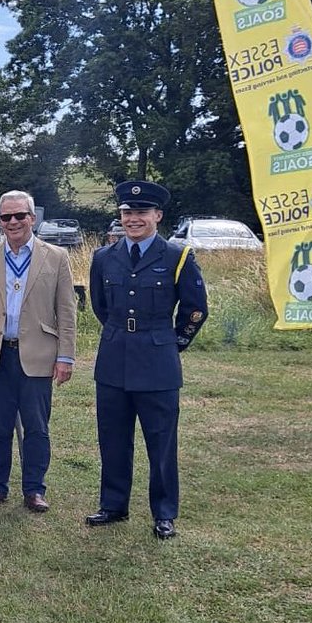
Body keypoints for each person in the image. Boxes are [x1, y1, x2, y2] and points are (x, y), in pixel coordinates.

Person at [86, 180, 207, 540]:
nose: (133, 219)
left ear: (157, 215)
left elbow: (195, 308)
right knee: (112, 437)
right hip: (114, 358)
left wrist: (171, 343)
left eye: (140, 212)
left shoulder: (177, 256)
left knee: (161, 441)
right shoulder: (104, 257)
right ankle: (113, 505)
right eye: (127, 212)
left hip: (157, 362)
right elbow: (100, 306)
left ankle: (164, 512)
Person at [0, 190, 77, 513]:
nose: (13, 222)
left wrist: (66, 356)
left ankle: (34, 489)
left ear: (32, 217)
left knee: (36, 427)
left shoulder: (55, 257)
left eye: (19, 215)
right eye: (6, 217)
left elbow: (66, 311)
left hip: (38, 354)